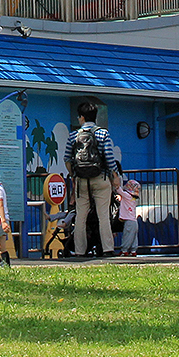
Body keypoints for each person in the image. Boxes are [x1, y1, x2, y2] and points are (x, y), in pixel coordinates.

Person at [64, 101, 119, 258]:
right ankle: (108, 249)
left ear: (81, 118)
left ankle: (80, 251)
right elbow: (109, 158)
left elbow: (67, 159)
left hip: (81, 180)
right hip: (100, 178)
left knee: (80, 216)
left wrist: (74, 175)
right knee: (103, 215)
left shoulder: (73, 135)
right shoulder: (103, 134)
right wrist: (114, 176)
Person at [115, 175, 143, 255]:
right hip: (134, 221)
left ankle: (124, 250)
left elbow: (119, 190)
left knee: (127, 236)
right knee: (133, 237)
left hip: (129, 221)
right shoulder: (133, 199)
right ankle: (133, 250)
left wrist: (116, 181)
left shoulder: (127, 196)